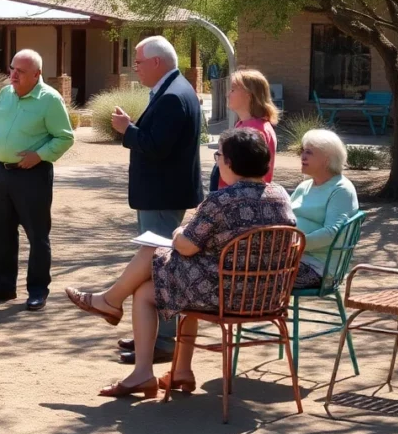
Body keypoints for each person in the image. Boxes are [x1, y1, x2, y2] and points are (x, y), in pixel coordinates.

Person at [65, 128, 296, 397]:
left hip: (225, 295)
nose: (217, 160)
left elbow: (186, 246)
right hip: (267, 296)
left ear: (229, 162)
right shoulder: (280, 195)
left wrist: (176, 233)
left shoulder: (221, 200)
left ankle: (113, 309)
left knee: (151, 253)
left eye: (218, 154)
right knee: (147, 290)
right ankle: (180, 370)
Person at [110, 36, 203, 364]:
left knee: (159, 267)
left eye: (138, 62)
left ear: (157, 62)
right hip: (162, 194)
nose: (135, 69)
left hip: (163, 195)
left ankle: (163, 342)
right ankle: (150, 336)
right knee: (154, 267)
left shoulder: (173, 96)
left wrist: (127, 130)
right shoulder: (176, 89)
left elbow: (156, 146)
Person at [0, 49, 75, 311]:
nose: (14, 74)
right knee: (0, 231)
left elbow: (65, 137)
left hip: (32, 176)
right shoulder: (4, 93)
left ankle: (38, 289)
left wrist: (39, 156)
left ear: (37, 74)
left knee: (37, 234)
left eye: (20, 71)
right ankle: (3, 285)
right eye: (12, 68)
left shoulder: (50, 99)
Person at [290, 129, 359, 289]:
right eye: (302, 151)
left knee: (255, 278)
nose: (303, 156)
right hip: (292, 258)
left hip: (319, 268)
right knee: (241, 266)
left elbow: (333, 233)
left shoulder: (341, 189)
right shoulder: (304, 186)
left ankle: (267, 313)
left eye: (309, 152)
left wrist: (293, 245)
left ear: (327, 159)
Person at [211, 69, 279, 191]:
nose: (227, 94)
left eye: (233, 90)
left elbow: (253, 177)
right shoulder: (243, 124)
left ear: (249, 94)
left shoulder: (257, 129)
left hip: (240, 200)